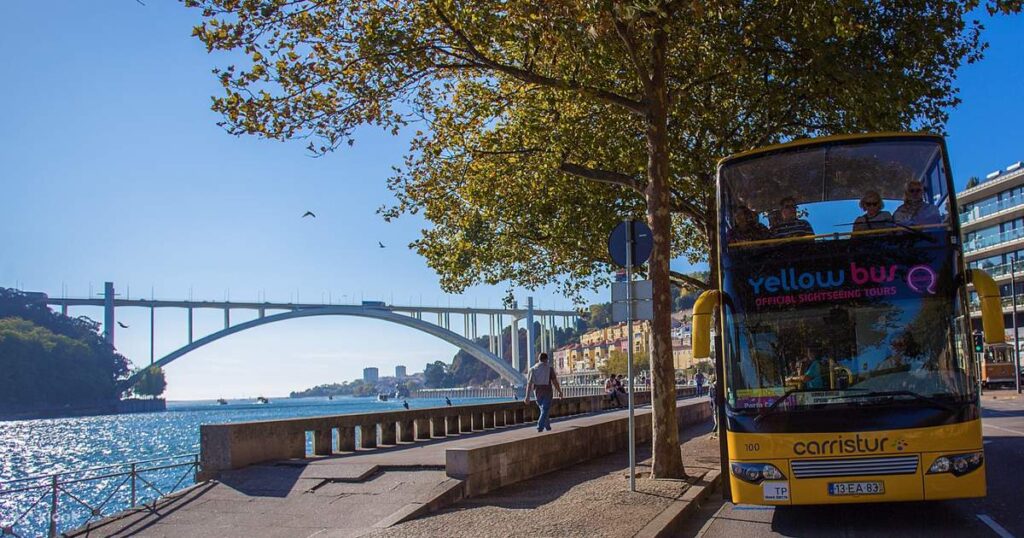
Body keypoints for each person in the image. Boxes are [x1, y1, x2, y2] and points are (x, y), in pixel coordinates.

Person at [524, 352, 563, 432]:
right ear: (546, 359)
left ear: (539, 359)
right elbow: (555, 382)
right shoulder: (549, 368)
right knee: (545, 409)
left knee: (544, 409)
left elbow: (529, 384)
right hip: (547, 390)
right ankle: (540, 426)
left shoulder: (532, 369)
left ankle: (548, 426)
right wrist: (559, 391)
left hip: (537, 391)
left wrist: (527, 396)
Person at [708, 374, 718, 438]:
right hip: (718, 400)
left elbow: (710, 396)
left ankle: (716, 423)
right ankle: (717, 424)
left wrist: (711, 403)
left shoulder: (711, 385)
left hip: (714, 400)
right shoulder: (717, 384)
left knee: (715, 413)